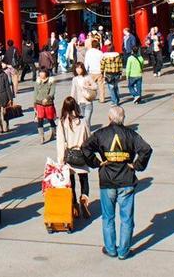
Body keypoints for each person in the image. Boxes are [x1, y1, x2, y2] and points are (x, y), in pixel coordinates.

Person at [84, 104, 153, 260]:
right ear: (123, 118)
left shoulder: (101, 134)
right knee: (126, 218)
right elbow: (146, 149)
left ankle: (111, 248)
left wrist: (96, 162)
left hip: (107, 179)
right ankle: (123, 250)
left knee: (108, 217)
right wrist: (136, 165)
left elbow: (85, 147)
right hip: (126, 179)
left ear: (109, 118)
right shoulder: (131, 135)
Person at [55, 96, 91, 219]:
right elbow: (88, 139)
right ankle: (84, 198)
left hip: (69, 156)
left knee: (71, 183)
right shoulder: (83, 121)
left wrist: (60, 160)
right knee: (84, 180)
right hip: (81, 154)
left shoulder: (62, 122)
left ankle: (74, 205)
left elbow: (60, 142)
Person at [70, 62, 97, 129]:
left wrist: (88, 86)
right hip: (79, 103)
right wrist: (71, 102)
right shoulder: (75, 79)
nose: (78, 69)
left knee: (87, 120)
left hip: (88, 102)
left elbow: (95, 86)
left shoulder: (88, 77)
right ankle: (84, 134)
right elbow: (73, 91)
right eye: (77, 68)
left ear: (83, 69)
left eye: (80, 68)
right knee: (82, 121)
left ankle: (88, 135)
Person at [33, 68, 57, 142]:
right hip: (39, 103)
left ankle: (53, 133)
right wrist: (34, 104)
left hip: (48, 104)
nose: (40, 74)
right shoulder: (37, 82)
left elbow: (52, 92)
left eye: (42, 72)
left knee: (50, 119)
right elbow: (35, 93)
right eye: (40, 72)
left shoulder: (51, 81)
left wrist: (47, 98)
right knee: (40, 120)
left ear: (46, 73)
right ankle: (41, 136)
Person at [0, 63, 14, 133]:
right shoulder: (4, 75)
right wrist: (10, 98)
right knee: (5, 112)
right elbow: (7, 87)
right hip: (4, 95)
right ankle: (6, 127)